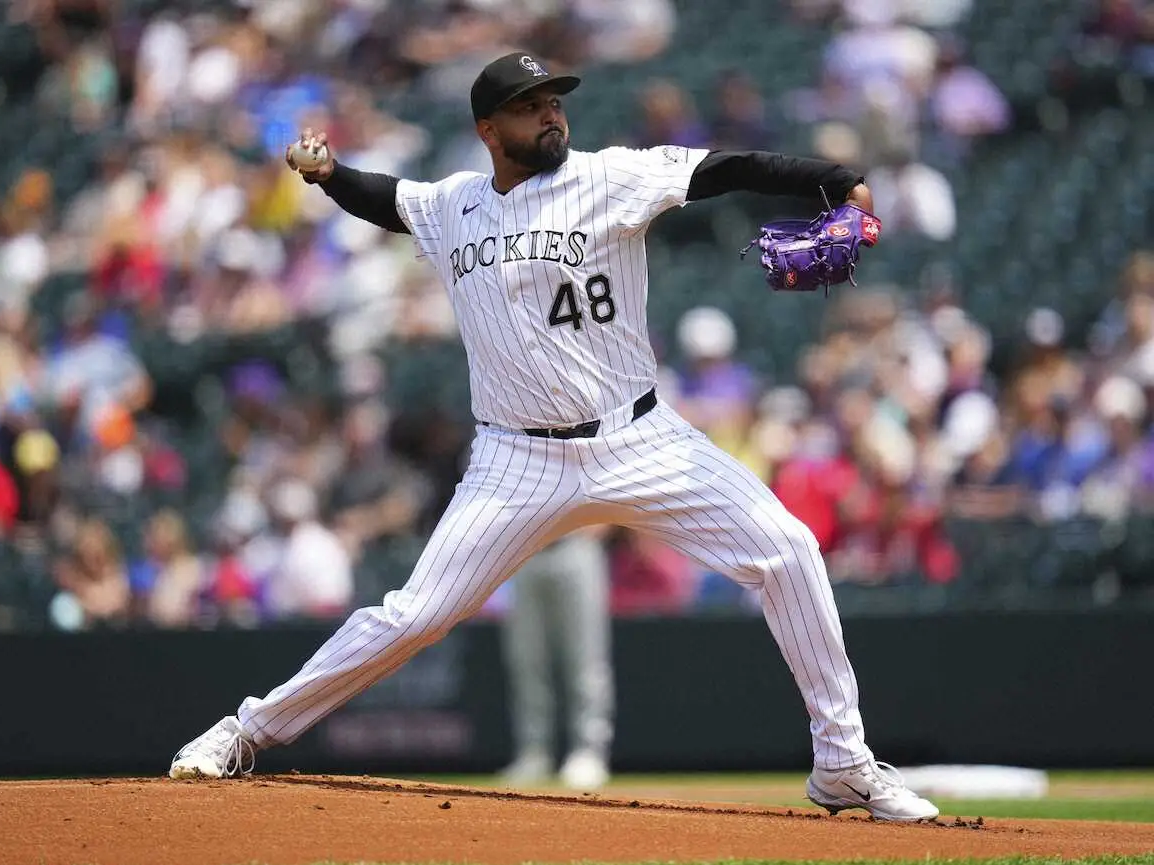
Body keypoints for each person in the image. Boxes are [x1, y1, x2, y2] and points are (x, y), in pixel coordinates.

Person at [169, 51, 939, 822]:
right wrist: (330, 173)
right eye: (529, 105)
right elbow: (387, 199)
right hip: (517, 458)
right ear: (488, 129)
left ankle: (843, 763)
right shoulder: (452, 204)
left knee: (790, 550)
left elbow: (729, 167)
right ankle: (246, 731)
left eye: (554, 102)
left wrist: (837, 179)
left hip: (641, 439)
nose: (550, 115)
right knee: (414, 615)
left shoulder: (612, 177)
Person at [497, 529, 614, 792]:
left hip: (575, 546)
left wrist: (597, 526)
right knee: (528, 661)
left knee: (586, 661)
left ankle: (589, 752)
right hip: (526, 549)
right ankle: (534, 753)